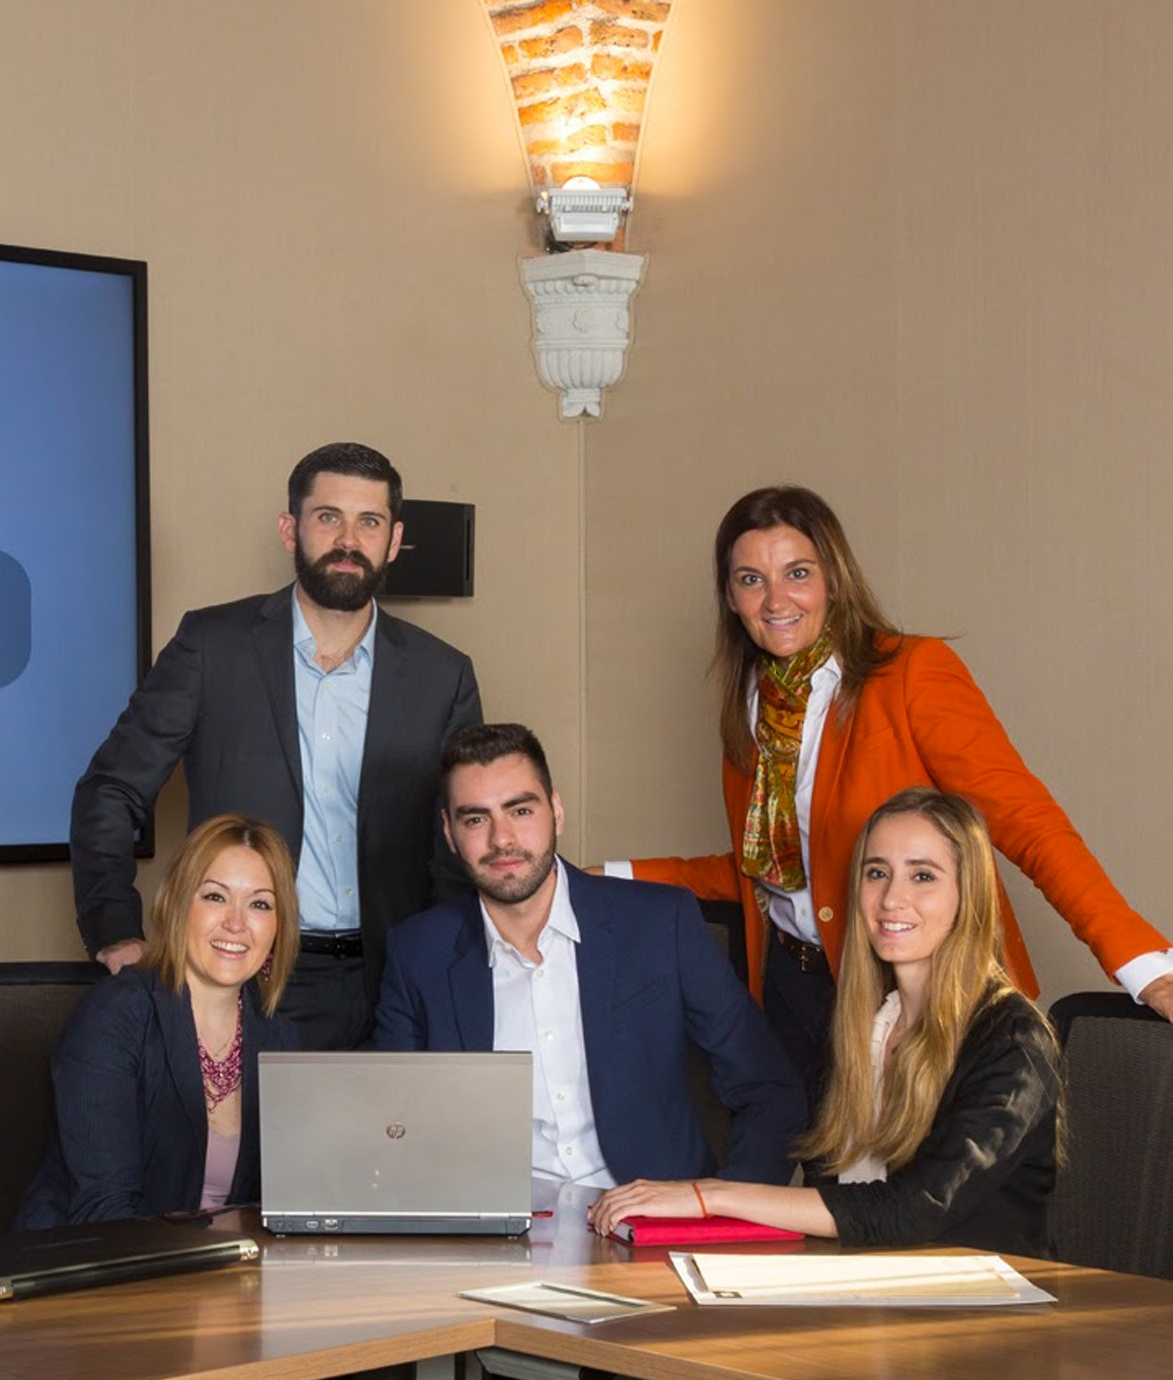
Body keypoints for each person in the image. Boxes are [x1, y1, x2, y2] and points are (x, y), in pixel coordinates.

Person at [606, 485, 1173, 1099]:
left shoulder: (911, 674)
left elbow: (1027, 821)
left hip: (919, 991)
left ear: (835, 580)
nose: (776, 600)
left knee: (918, 1191)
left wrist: (1141, 962)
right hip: (793, 991)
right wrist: (608, 873)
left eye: (797, 573)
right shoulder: (752, 707)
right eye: (750, 579)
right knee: (827, 1184)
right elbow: (775, 871)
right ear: (730, 597)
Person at [70, 441, 482, 1049]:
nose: (348, 539)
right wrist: (115, 931)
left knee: (390, 1146)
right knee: (248, 1147)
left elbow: (462, 831)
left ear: (393, 541)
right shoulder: (212, 647)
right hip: (251, 974)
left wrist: (446, 964)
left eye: (369, 521)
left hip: (399, 978)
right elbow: (110, 790)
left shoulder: (443, 674)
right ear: (291, 530)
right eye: (327, 517)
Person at [591, 789, 1062, 1255]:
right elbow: (832, 1192)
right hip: (866, 1290)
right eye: (877, 873)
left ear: (968, 895)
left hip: (980, 1306)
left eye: (923, 876)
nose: (892, 898)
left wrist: (708, 1195)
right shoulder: (863, 1024)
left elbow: (912, 1210)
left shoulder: (1013, 1040)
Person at [374, 723, 805, 1191]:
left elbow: (770, 1089)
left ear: (556, 809)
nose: (502, 839)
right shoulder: (418, 953)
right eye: (476, 819)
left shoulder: (660, 924)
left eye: (520, 810)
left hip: (651, 1226)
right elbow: (391, 1126)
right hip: (498, 1234)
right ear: (450, 833)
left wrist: (719, 1208)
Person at [18, 814, 301, 1227]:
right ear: (177, 904)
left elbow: (282, 1208)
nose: (236, 923)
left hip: (220, 1277)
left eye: (259, 904)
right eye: (215, 897)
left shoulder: (279, 1039)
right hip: (88, 1273)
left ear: (279, 928)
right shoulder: (117, 1016)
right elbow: (105, 1213)